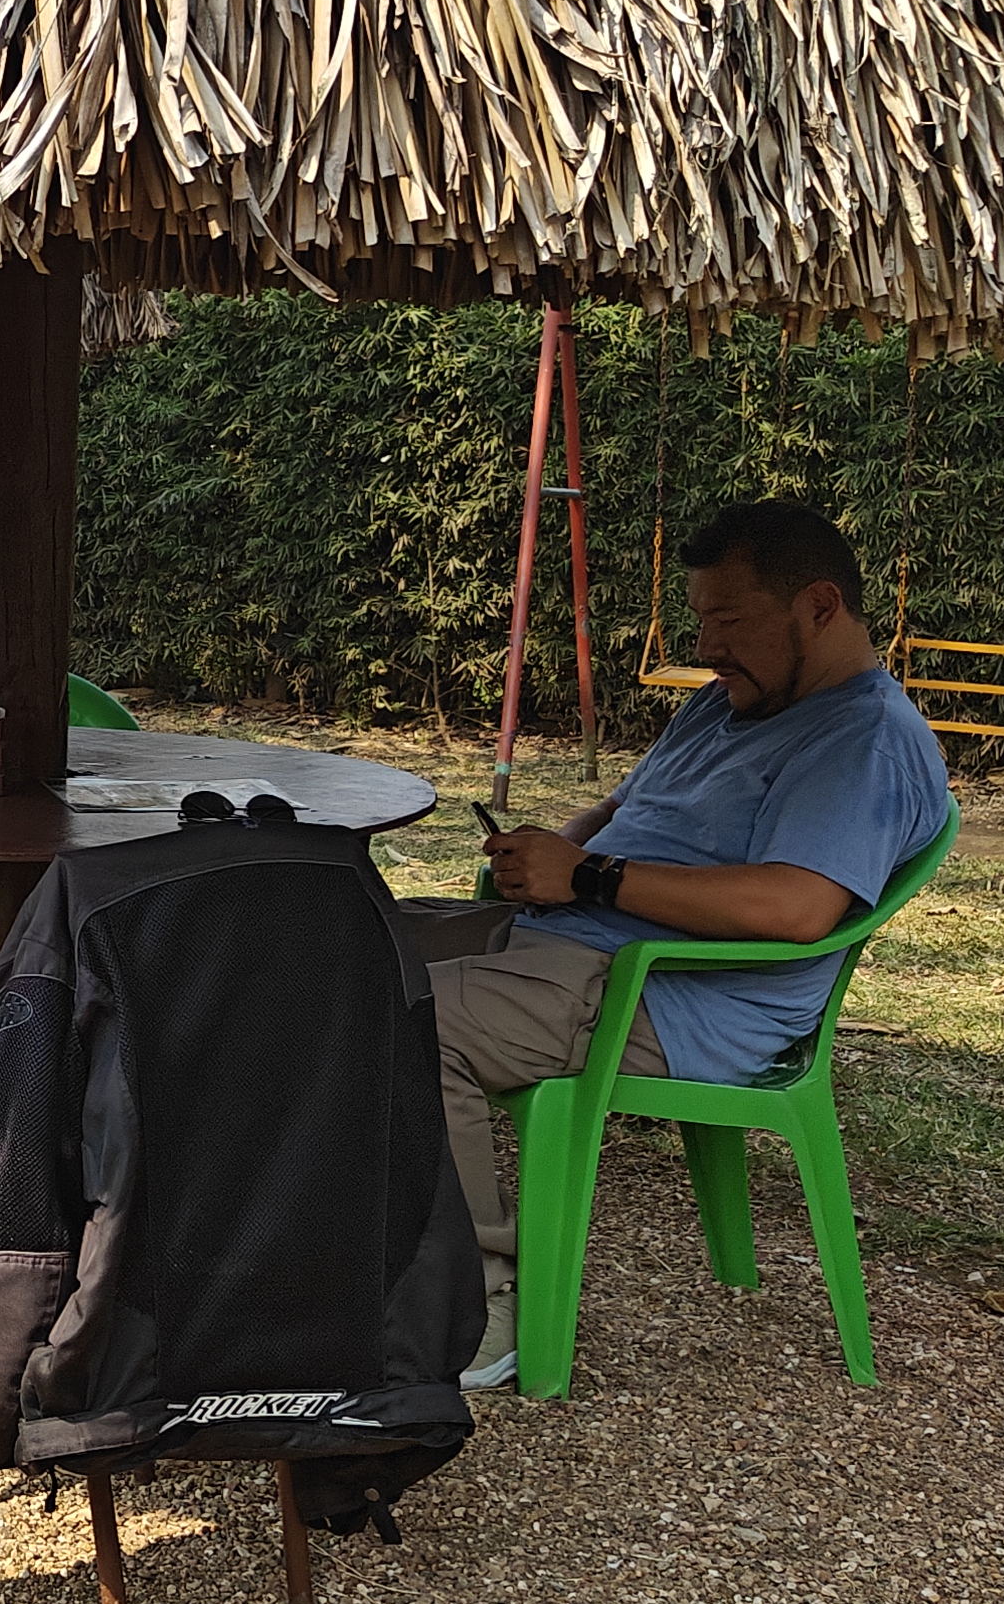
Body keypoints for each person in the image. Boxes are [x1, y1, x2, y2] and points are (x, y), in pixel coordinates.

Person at [402, 499, 952, 1389]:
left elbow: (797, 907)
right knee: (334, 950)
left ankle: (483, 1303)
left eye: (729, 621)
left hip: (667, 994)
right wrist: (550, 852)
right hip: (573, 938)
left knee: (405, 1019)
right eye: (702, 621)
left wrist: (587, 878)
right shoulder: (723, 704)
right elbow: (621, 814)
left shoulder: (866, 740)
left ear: (820, 606)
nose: (709, 647)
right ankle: (341, 1240)